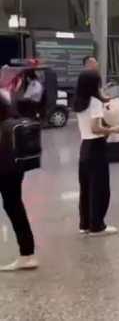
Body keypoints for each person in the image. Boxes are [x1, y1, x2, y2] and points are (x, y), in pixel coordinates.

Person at [74, 71, 119, 237]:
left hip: (84, 146)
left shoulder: (80, 103)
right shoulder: (95, 102)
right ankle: (97, 225)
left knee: (86, 186)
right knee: (99, 187)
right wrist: (114, 129)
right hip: (96, 146)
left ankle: (85, 224)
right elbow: (96, 128)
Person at [0, 94, 37, 272]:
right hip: (15, 168)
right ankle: (28, 254)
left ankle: (27, 255)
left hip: (4, 169)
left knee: (13, 208)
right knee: (15, 207)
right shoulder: (9, 114)